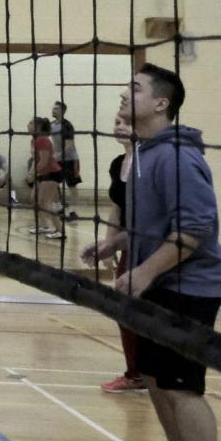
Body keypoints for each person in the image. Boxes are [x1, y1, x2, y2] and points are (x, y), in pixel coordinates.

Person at [86, 64, 221, 441]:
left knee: (183, 387)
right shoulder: (146, 154)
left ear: (161, 103)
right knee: (153, 375)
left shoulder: (178, 156)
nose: (124, 95)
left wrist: (145, 272)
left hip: (188, 287)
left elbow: (194, 227)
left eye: (135, 88)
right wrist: (116, 242)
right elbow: (151, 225)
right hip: (160, 283)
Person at [83, 109, 145, 394]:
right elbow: (116, 207)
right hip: (128, 245)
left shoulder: (150, 162)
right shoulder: (118, 163)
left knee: (144, 311)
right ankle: (136, 374)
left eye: (127, 123)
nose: (120, 127)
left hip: (151, 246)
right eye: (117, 121)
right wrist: (109, 245)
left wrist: (115, 243)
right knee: (125, 310)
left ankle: (149, 373)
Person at [26, 117, 65, 239]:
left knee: (46, 202)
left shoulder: (43, 140)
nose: (28, 124)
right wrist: (32, 171)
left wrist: (32, 173)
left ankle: (60, 231)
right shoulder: (34, 140)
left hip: (51, 173)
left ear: (38, 127)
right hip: (41, 173)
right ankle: (43, 226)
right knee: (35, 199)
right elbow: (36, 160)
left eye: (31, 123)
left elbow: (44, 161)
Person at [52, 100, 81, 220]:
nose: (53, 110)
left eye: (56, 109)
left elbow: (69, 146)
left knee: (72, 186)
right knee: (53, 184)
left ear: (63, 111)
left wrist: (57, 156)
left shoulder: (67, 125)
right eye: (53, 108)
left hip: (70, 159)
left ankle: (74, 212)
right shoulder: (52, 125)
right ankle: (59, 208)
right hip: (57, 159)